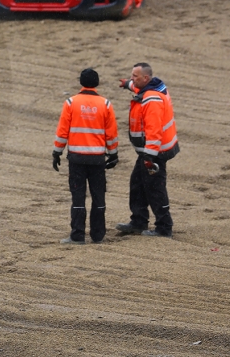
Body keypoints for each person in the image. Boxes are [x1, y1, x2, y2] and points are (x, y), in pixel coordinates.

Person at [52, 68, 118, 244]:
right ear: (97, 83)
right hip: (97, 159)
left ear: (81, 83)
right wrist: (113, 153)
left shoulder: (71, 102)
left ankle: (78, 235)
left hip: (77, 159)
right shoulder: (105, 105)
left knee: (78, 197)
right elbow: (111, 133)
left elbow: (62, 131)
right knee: (99, 197)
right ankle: (98, 235)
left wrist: (57, 152)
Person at [115, 62, 179, 238]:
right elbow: (138, 89)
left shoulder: (152, 99)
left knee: (155, 189)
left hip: (154, 153)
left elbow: (154, 129)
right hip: (151, 151)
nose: (132, 79)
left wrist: (149, 156)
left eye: (135, 76)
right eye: (132, 76)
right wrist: (128, 84)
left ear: (146, 78)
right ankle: (138, 221)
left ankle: (164, 227)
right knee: (138, 185)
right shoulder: (153, 87)